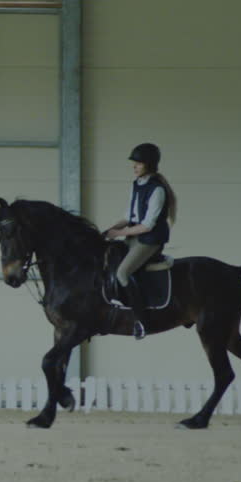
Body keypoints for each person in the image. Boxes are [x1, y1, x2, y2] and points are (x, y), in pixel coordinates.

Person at [103, 143, 178, 339]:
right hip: (135, 236)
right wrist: (111, 229)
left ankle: (141, 320)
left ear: (149, 165)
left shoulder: (157, 190)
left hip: (150, 240)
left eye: (138, 164)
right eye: (134, 163)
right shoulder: (136, 185)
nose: (134, 167)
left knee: (122, 272)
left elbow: (147, 225)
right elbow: (129, 215)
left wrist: (119, 234)